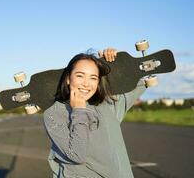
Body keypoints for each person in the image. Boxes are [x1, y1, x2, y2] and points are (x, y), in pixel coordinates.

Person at [43, 48, 147, 178]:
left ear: (98, 82)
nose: (86, 84)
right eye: (80, 75)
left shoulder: (108, 104)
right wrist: (79, 110)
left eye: (93, 77)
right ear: (69, 78)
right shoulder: (54, 113)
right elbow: (76, 155)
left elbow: (141, 80)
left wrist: (115, 63)